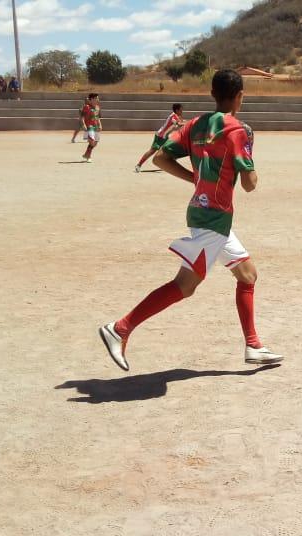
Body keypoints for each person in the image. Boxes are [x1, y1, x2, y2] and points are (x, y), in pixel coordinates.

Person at [99, 69, 283, 370]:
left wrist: (195, 179)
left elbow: (160, 157)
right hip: (214, 220)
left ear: (212, 94)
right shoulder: (237, 130)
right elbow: (250, 184)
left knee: (247, 274)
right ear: (240, 96)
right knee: (184, 286)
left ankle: (253, 345)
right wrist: (250, 154)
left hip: (203, 214)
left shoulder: (195, 124)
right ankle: (120, 329)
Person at [135, 103, 184, 172]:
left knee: (171, 150)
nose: (182, 111)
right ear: (177, 110)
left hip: (165, 136)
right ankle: (138, 165)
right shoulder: (174, 116)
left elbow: (177, 126)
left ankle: (169, 165)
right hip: (161, 136)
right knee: (152, 151)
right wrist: (188, 123)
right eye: (181, 110)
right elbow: (179, 124)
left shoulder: (176, 116)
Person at [80, 93, 101, 162]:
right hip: (89, 126)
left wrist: (100, 125)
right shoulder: (87, 107)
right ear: (91, 99)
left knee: (95, 143)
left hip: (96, 126)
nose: (98, 99)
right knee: (92, 141)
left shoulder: (97, 107)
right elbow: (82, 117)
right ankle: (89, 156)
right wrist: (83, 124)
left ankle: (86, 154)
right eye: (96, 98)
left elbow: (98, 118)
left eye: (98, 98)